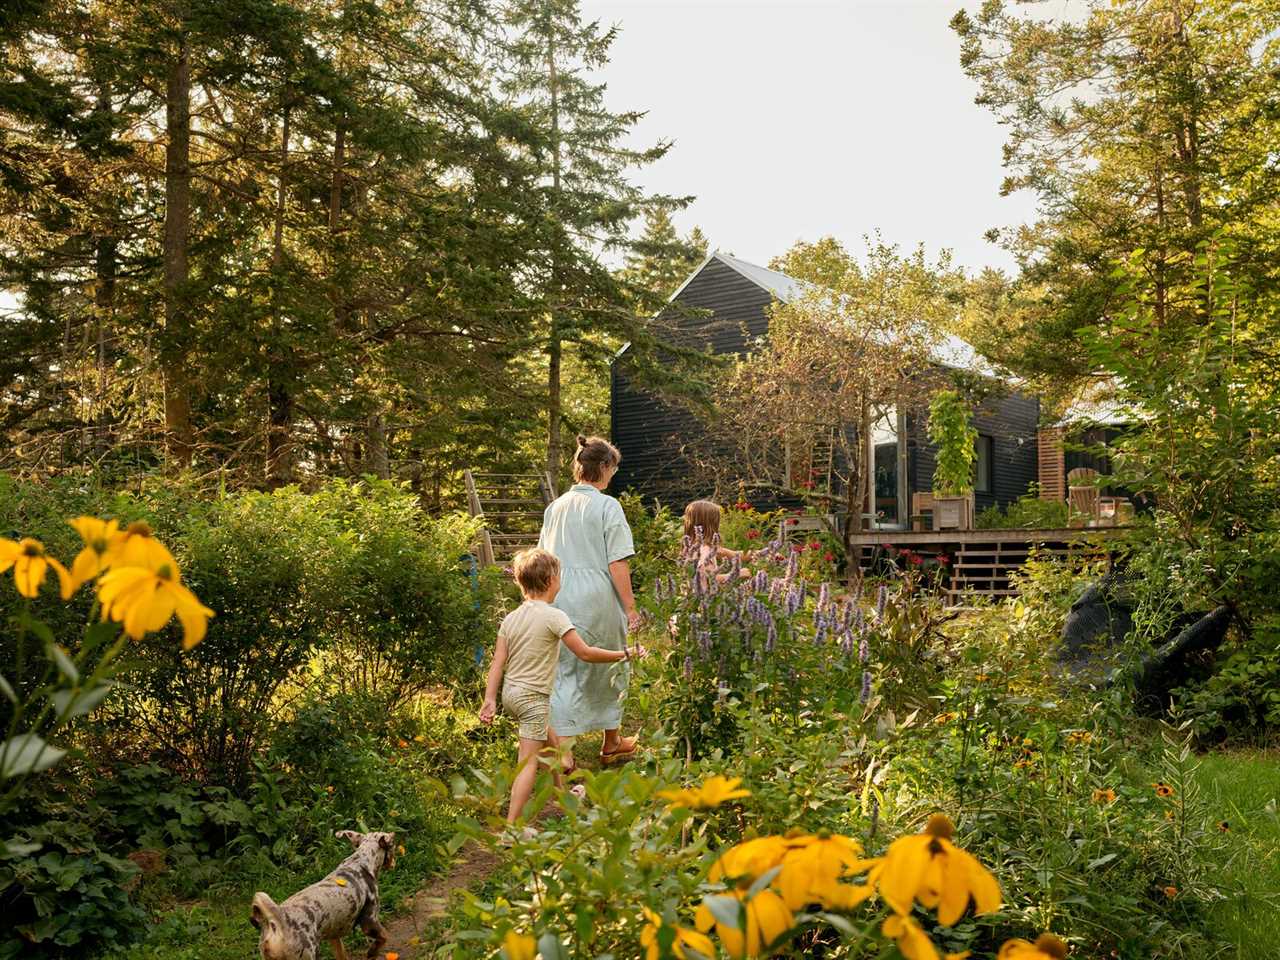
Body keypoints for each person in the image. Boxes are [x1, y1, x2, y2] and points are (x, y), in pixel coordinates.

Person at [479, 548, 637, 826]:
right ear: (551, 580)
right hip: (533, 699)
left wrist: (490, 699)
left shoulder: (511, 618)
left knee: (551, 741)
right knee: (527, 762)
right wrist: (623, 654)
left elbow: (497, 662)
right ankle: (512, 827)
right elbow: (585, 653)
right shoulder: (555, 616)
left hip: (511, 695)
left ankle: (563, 795)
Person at [541, 435, 641, 769]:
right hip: (597, 595)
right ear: (603, 467)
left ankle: (565, 751)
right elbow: (618, 562)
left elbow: (543, 558)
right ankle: (610, 742)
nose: (613, 475)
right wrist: (630, 607)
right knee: (610, 664)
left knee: (564, 668)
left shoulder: (555, 507)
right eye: (613, 469)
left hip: (557, 593)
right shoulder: (607, 505)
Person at [683, 499, 755, 584]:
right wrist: (737, 573)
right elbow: (707, 578)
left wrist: (765, 552)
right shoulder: (705, 549)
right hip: (704, 596)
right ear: (711, 525)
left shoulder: (692, 547)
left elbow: (736, 555)